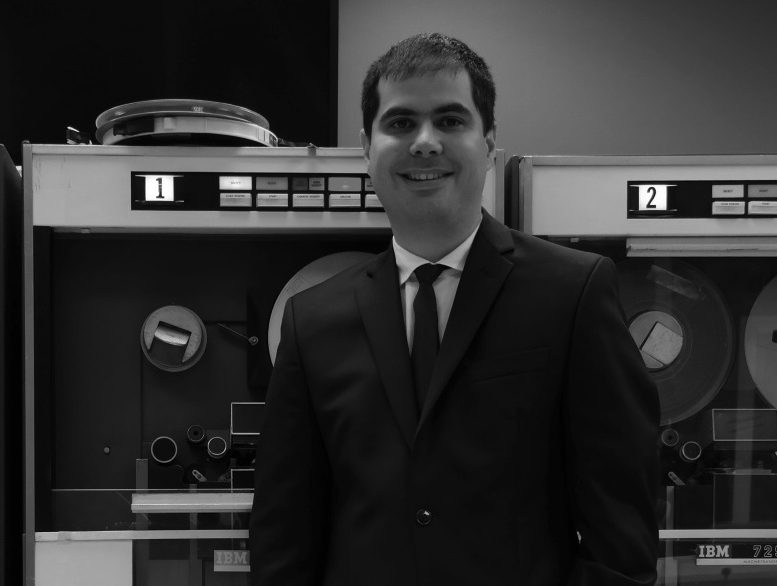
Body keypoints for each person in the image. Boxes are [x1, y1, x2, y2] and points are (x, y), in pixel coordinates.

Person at [250, 32, 660, 585]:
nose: (424, 142)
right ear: (367, 148)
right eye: (399, 123)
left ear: (489, 143)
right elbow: (284, 535)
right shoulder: (311, 320)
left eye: (450, 120)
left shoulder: (573, 293)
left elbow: (622, 528)